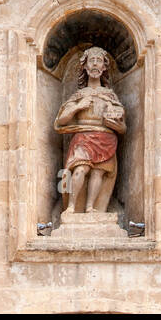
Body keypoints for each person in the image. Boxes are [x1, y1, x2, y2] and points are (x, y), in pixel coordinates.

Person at [54, 47, 126, 214]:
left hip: (106, 139)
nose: (95, 64)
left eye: (99, 61)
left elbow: (123, 128)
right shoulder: (79, 95)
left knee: (98, 173)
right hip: (84, 137)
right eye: (91, 61)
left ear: (104, 68)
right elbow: (61, 121)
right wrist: (78, 107)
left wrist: (114, 121)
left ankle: (90, 208)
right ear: (85, 67)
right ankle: (71, 207)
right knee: (80, 169)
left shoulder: (110, 96)